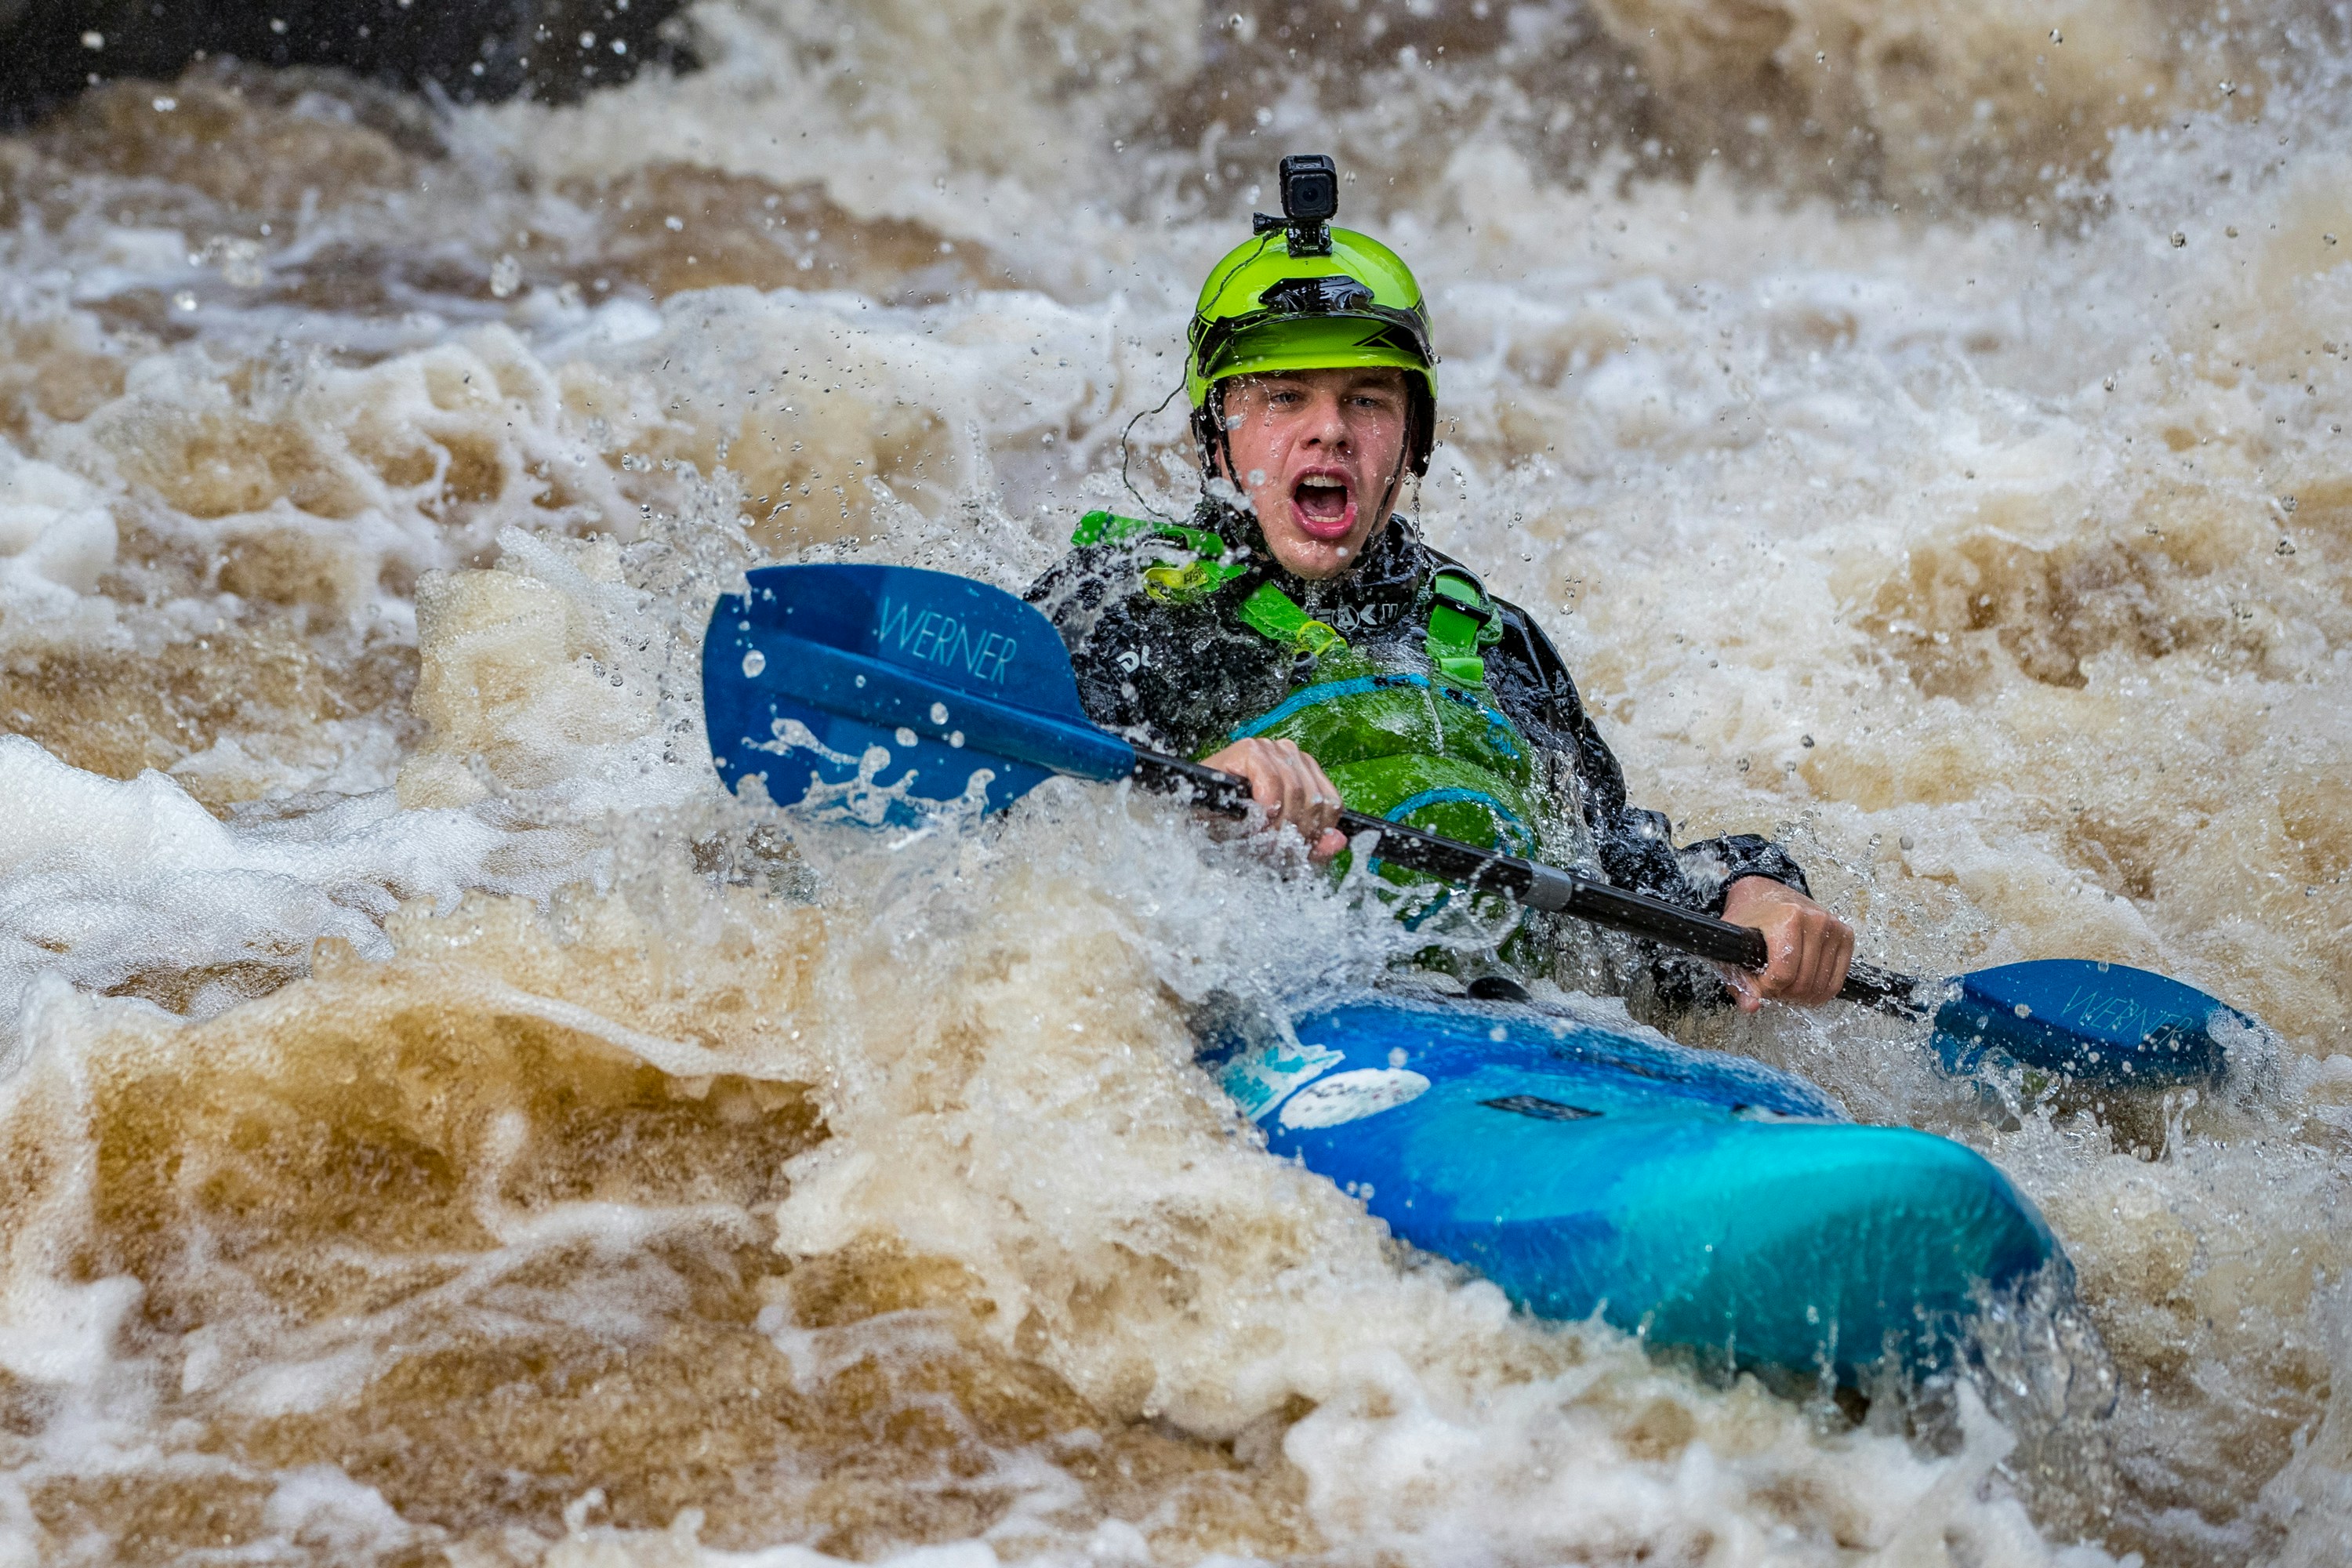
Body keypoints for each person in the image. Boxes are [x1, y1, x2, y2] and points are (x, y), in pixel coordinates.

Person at [1025, 158, 1853, 1011]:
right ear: (1218, 435)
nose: (1329, 432)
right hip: (1290, 1015)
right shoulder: (1131, 608)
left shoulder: (1502, 644)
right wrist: (1187, 796)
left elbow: (1624, 882)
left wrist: (1754, 895)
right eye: (1282, 398)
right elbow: (999, 845)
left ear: (1415, 438)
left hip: (1533, 1028)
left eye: (1369, 400)